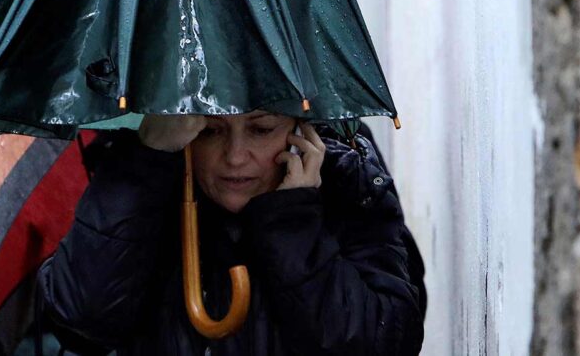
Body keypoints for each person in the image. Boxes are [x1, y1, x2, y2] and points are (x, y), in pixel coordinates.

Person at [38, 112, 427, 355]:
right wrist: (145, 164)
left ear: (302, 130)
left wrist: (294, 221)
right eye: (210, 131)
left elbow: (383, 339)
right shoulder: (146, 183)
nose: (236, 156)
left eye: (261, 129)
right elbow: (81, 318)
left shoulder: (347, 183)